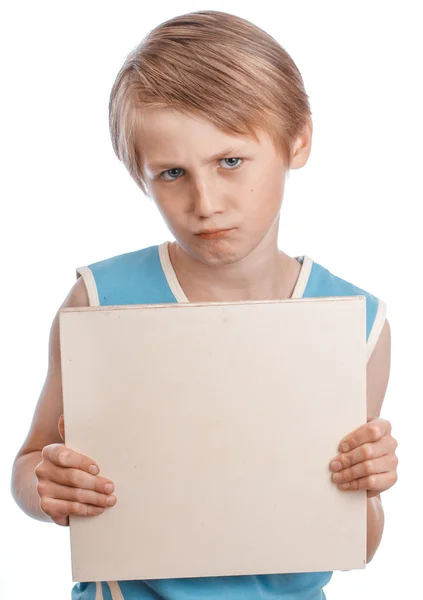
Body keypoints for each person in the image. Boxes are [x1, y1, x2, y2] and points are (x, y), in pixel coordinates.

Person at [10, 9, 398, 600]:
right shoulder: (98, 301)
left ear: (298, 140)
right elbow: (30, 463)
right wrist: (47, 485)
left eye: (231, 161)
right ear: (141, 178)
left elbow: (356, 545)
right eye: (171, 173)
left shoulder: (356, 321)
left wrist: (367, 489)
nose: (206, 202)